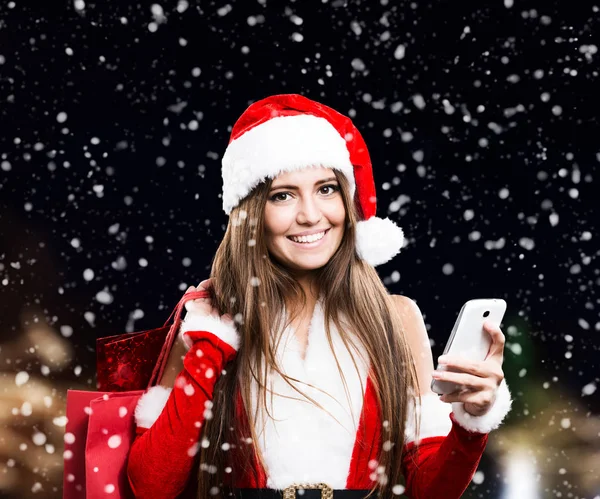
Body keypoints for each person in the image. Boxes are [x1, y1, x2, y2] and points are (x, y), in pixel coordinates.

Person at [126, 94, 512, 499]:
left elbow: (428, 490)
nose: (311, 214)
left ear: (347, 200)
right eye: (283, 195)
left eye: (326, 189)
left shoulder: (395, 318)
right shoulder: (209, 321)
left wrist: (471, 422)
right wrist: (209, 349)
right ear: (250, 214)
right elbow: (151, 487)